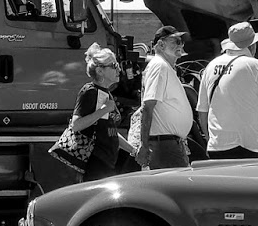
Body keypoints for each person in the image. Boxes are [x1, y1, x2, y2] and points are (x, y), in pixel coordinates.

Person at [196, 21, 258, 159]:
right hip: (248, 146)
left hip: (216, 147)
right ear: (252, 45)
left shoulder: (210, 66)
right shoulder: (255, 66)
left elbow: (202, 111)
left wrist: (211, 140)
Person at [137, 26, 194, 170]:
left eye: (181, 41)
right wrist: (144, 145)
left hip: (168, 143)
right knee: (179, 189)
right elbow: (148, 107)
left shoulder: (164, 67)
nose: (181, 45)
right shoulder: (160, 66)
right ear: (161, 45)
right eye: (176, 41)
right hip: (164, 145)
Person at [69, 44, 125, 181]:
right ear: (100, 71)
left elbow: (109, 130)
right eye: (114, 65)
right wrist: (104, 110)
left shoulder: (106, 93)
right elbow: (76, 125)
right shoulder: (89, 91)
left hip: (108, 162)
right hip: (95, 162)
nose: (119, 69)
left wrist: (133, 151)